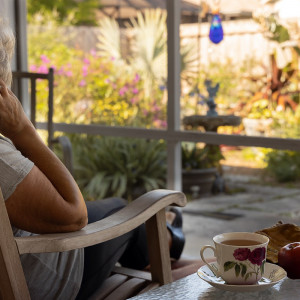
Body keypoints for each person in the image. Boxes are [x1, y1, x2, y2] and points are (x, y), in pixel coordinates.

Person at [0, 18, 205, 300]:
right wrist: (23, 129)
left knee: (108, 211)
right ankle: (168, 236)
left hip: (26, 259)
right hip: (41, 280)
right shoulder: (2, 160)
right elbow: (75, 216)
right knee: (122, 211)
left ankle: (162, 236)